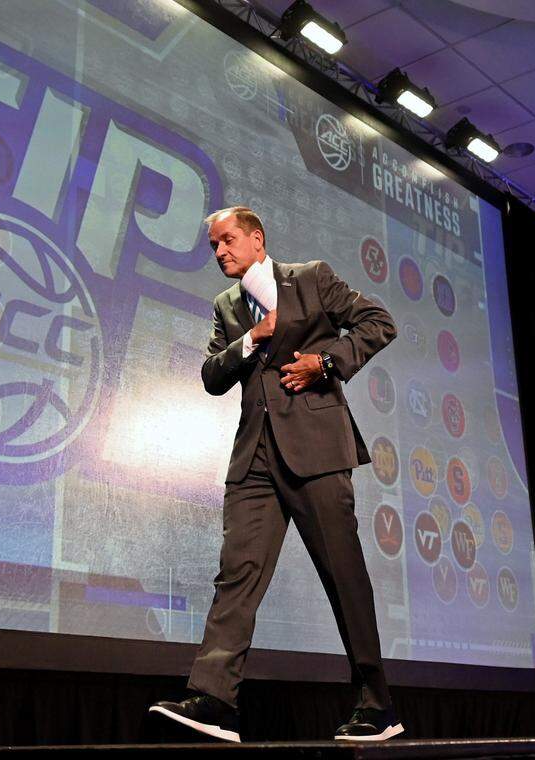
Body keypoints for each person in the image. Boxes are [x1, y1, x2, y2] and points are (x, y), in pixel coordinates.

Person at [148, 206, 402, 743]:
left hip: (316, 452)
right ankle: (216, 699)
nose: (220, 252)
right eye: (213, 246)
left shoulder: (310, 278)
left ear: (256, 238)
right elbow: (212, 376)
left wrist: (325, 363)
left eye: (228, 240)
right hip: (254, 462)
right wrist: (252, 339)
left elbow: (379, 323)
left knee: (344, 578)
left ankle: (376, 704)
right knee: (236, 575)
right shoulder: (226, 306)